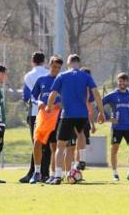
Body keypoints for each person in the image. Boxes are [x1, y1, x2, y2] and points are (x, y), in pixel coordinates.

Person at [47, 54, 106, 184]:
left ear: (68, 64)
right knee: (81, 134)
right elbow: (96, 93)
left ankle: (57, 176)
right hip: (82, 115)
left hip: (67, 115)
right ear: (79, 64)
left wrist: (48, 107)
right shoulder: (86, 76)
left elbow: (53, 94)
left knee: (60, 146)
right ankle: (82, 160)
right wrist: (101, 112)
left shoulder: (62, 76)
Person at [29, 55, 63, 184]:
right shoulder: (41, 80)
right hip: (43, 116)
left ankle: (53, 175)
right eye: (54, 66)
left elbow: (67, 97)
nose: (56, 69)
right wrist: (38, 103)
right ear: (49, 65)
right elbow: (32, 96)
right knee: (37, 142)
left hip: (57, 117)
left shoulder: (62, 80)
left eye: (59, 68)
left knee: (54, 146)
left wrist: (62, 104)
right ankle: (37, 172)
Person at [19, 52, 50, 183]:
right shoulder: (49, 74)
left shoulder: (28, 76)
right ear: (44, 61)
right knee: (47, 144)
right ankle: (46, 173)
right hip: (49, 112)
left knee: (36, 144)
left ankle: (34, 172)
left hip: (34, 112)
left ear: (32, 61)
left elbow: (27, 96)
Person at [103, 73, 129, 181]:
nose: (122, 83)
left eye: (124, 81)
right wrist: (108, 117)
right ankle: (115, 174)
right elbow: (98, 104)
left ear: (127, 82)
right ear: (117, 82)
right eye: (120, 81)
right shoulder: (112, 95)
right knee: (114, 150)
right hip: (117, 128)